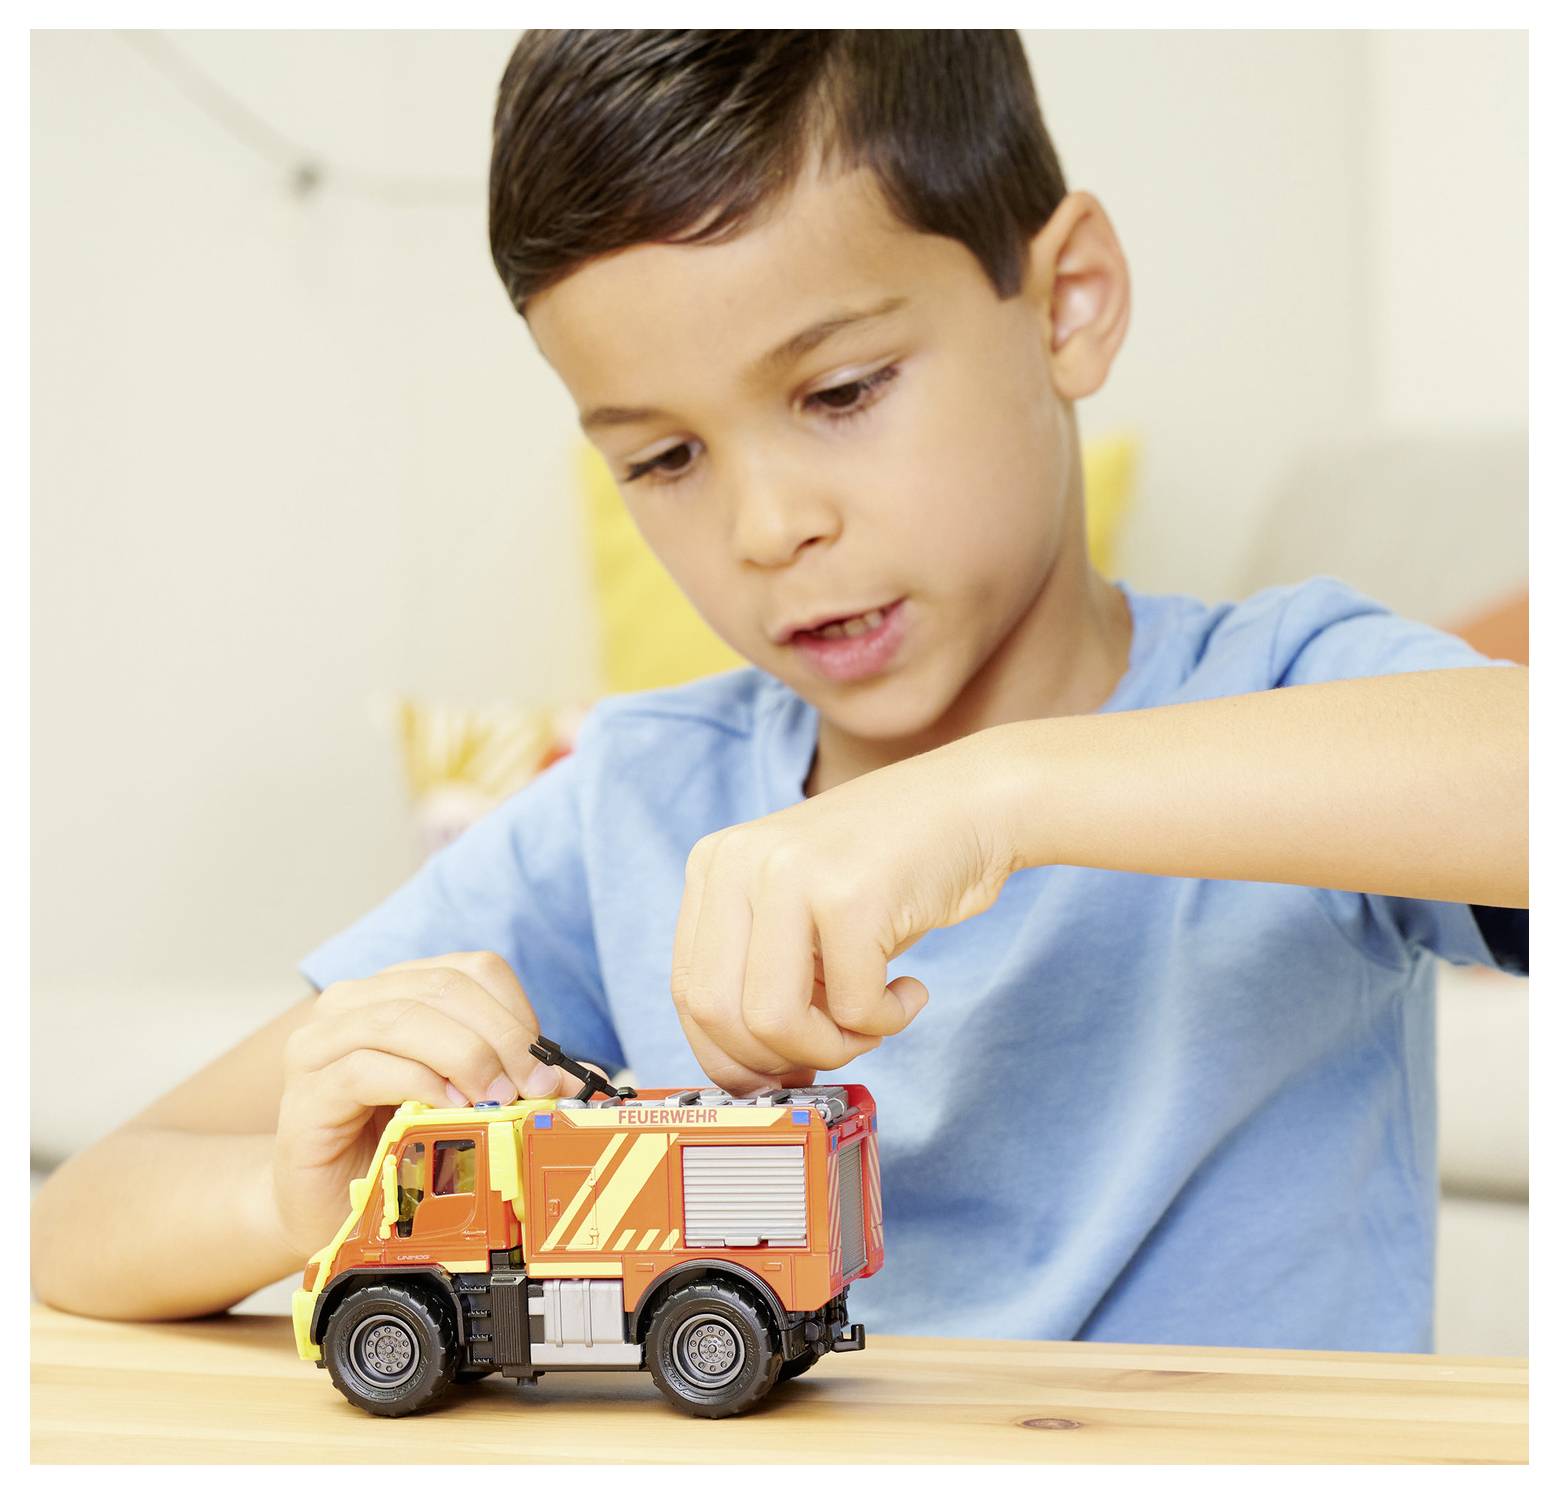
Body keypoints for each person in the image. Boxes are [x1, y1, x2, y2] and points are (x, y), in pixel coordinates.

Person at [32, 31, 1526, 1351]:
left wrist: (994, 791)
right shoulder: (636, 802)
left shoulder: (1278, 692)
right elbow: (80, 1214)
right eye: (664, 459)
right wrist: (292, 1187)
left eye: (840, 392)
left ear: (1067, 303)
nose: (766, 528)